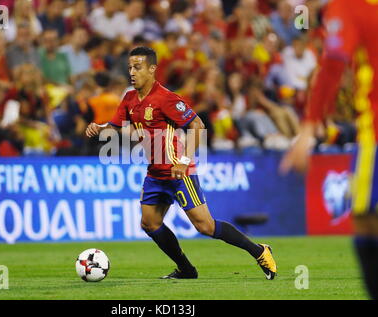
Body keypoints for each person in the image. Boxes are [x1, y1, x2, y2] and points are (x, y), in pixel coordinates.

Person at [85, 46, 277, 280]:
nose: (132, 72)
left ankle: (259, 251)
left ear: (152, 69)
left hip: (179, 172)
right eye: (129, 68)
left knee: (205, 226)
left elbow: (197, 126)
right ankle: (186, 269)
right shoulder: (129, 99)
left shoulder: (166, 99)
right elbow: (115, 126)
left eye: (137, 67)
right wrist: (100, 127)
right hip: (155, 173)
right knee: (150, 223)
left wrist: (184, 161)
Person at [281, 0, 378, 299]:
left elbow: (333, 63)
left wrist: (308, 127)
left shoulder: (348, 6)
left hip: (375, 129)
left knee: (364, 216)